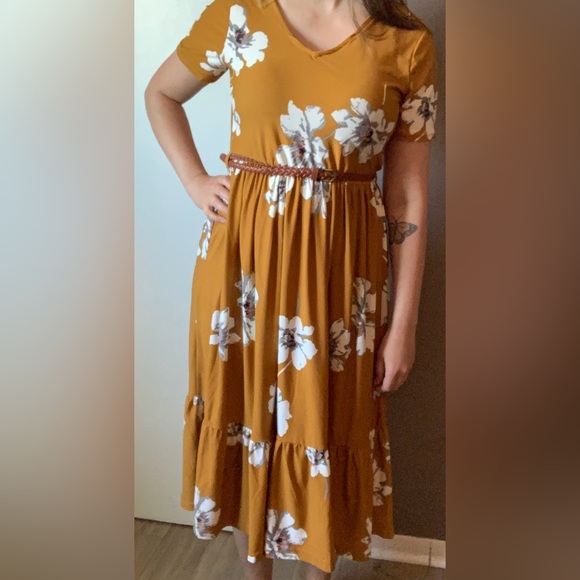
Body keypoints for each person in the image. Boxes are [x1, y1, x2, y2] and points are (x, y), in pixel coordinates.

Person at [144, 0, 438, 577]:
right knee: (245, 419)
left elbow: (407, 198)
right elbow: (161, 94)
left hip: (342, 281)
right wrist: (194, 179)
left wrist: (403, 324)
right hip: (242, 271)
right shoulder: (240, 12)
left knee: (325, 425)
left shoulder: (408, 42)